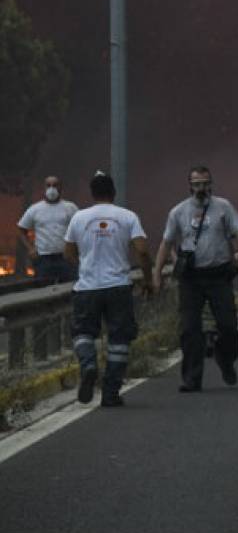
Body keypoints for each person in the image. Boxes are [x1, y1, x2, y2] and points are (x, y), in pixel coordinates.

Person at [153, 166, 238, 392]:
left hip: (219, 275)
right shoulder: (178, 212)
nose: (201, 188)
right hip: (191, 279)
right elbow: (166, 243)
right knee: (189, 329)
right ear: (189, 186)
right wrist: (157, 274)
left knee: (229, 327)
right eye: (196, 184)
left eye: (205, 183)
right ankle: (191, 379)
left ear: (211, 184)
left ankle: (225, 358)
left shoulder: (223, 207)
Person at [62, 172, 154, 407]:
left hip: (87, 288)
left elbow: (68, 252)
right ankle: (111, 393)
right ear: (113, 192)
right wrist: (148, 281)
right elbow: (142, 252)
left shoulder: (79, 218)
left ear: (92, 194)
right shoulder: (127, 217)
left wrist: (85, 266)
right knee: (119, 340)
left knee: (83, 332)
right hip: (118, 288)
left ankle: (88, 364)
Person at [16, 175, 79, 283]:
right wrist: (30, 248)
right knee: (43, 290)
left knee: (69, 289)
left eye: (55, 185)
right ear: (43, 188)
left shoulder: (70, 207)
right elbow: (21, 229)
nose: (52, 189)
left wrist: (75, 250)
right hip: (43, 259)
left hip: (66, 258)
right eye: (48, 185)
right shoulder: (34, 209)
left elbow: (80, 229)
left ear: (60, 188)